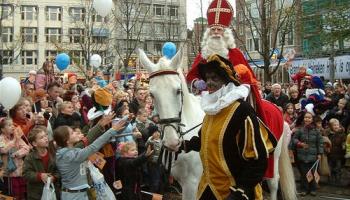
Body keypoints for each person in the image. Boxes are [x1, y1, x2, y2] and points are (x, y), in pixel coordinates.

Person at [181, 54, 277, 200]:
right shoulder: (211, 110)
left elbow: (258, 161)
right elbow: (204, 141)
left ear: (226, 81)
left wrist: (241, 191)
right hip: (208, 188)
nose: (209, 83)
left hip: (233, 192)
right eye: (207, 78)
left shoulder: (241, 111)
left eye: (215, 78)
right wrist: (183, 145)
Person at [54, 121, 126, 200]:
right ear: (67, 140)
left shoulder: (73, 151)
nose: (75, 133)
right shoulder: (69, 155)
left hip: (81, 194)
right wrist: (112, 130)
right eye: (72, 133)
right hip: (73, 196)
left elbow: (88, 141)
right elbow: (93, 147)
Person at [289, 111, 323, 196]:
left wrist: (319, 153)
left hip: (313, 156)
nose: (307, 119)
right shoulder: (300, 129)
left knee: (313, 173)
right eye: (306, 117)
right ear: (304, 119)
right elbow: (294, 139)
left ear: (312, 119)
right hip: (302, 155)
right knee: (304, 173)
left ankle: (313, 189)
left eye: (309, 117)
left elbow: (320, 143)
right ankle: (304, 189)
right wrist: (299, 143)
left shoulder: (317, 131)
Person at [23, 126, 60, 200]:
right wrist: (40, 176)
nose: (46, 138)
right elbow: (26, 174)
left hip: (53, 191)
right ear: (34, 143)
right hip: (36, 194)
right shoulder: (29, 158)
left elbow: (59, 170)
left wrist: (54, 177)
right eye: (41, 137)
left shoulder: (53, 154)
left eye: (46, 135)